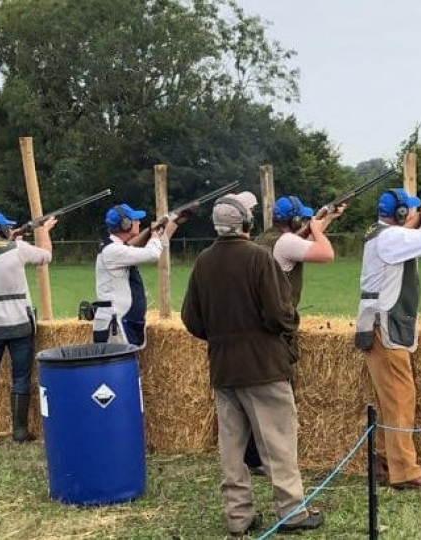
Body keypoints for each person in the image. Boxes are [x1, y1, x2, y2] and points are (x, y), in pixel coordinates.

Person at [181, 192, 324, 536]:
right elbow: (279, 314)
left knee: (232, 450)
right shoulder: (260, 258)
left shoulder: (203, 261)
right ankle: (291, 512)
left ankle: (238, 518)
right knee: (278, 443)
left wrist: (221, 336)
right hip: (263, 367)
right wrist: (290, 324)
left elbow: (191, 319)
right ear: (245, 223)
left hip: (223, 369)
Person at [354, 185, 421, 490]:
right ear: (401, 213)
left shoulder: (383, 234)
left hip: (378, 325)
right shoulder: (389, 239)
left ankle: (383, 461)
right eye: (411, 210)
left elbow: (419, 232)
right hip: (385, 328)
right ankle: (404, 472)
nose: (415, 213)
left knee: (389, 401)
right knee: (401, 400)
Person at [245, 195, 345, 473]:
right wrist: (316, 229)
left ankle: (254, 458)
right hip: (278, 330)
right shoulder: (287, 242)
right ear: (296, 220)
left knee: (259, 396)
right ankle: (274, 460)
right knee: (278, 398)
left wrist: (326, 220)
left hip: (257, 326)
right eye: (303, 218)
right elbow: (326, 253)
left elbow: (303, 241)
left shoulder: (265, 238)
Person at [0, 211, 57, 445]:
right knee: (20, 378)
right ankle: (19, 432)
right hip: (19, 324)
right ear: (3, 230)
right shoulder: (19, 249)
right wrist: (44, 231)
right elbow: (46, 256)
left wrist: (14, 237)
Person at [92, 203, 179, 347]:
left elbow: (154, 245)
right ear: (125, 224)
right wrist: (154, 233)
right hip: (116, 326)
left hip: (120, 322)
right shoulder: (113, 251)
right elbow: (152, 254)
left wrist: (173, 222)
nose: (138, 222)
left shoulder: (116, 248)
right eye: (135, 220)